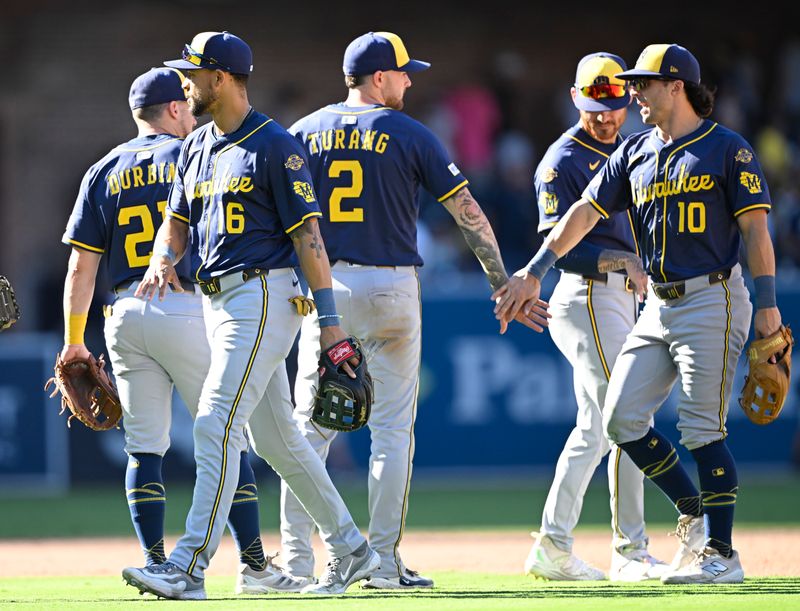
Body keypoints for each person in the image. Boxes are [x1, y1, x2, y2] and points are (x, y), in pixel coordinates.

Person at [494, 44, 782, 585]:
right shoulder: (636, 151)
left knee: (700, 429)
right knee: (620, 419)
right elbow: (582, 213)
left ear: (677, 87)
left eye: (644, 84)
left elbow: (757, 232)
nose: (635, 94)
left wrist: (767, 306)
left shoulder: (727, 148)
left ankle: (721, 555)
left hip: (712, 295)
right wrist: (535, 269)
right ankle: (693, 513)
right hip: (657, 303)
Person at [274, 31, 548, 590]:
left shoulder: (301, 133)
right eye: (402, 72)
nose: (409, 79)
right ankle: (382, 563)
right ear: (378, 77)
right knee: (393, 431)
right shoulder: (409, 132)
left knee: (310, 432)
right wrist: (503, 284)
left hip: (326, 291)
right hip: (393, 286)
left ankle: (301, 563)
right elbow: (467, 211)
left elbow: (284, 221)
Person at [121, 32, 380, 599]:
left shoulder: (273, 145)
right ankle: (352, 549)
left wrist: (330, 320)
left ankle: (188, 565)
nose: (184, 83)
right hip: (215, 299)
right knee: (277, 444)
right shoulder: (197, 145)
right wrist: (165, 257)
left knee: (215, 421)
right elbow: (177, 219)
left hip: (263, 294)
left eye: (192, 74)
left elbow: (309, 236)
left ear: (222, 78)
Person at [59, 67, 299, 595]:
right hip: (187, 305)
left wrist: (75, 338)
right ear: (173, 110)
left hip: (123, 314)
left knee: (144, 450)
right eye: (186, 104)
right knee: (225, 439)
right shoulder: (199, 153)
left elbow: (81, 268)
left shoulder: (102, 169)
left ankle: (155, 563)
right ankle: (257, 568)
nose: (193, 111)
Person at [523, 52, 667, 582]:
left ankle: (553, 545)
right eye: (593, 107)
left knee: (596, 428)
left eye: (612, 106)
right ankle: (631, 551)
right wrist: (621, 258)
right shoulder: (562, 159)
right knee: (629, 418)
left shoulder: (634, 148)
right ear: (574, 98)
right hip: (587, 295)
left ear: (628, 99)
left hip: (625, 295)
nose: (604, 117)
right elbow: (558, 246)